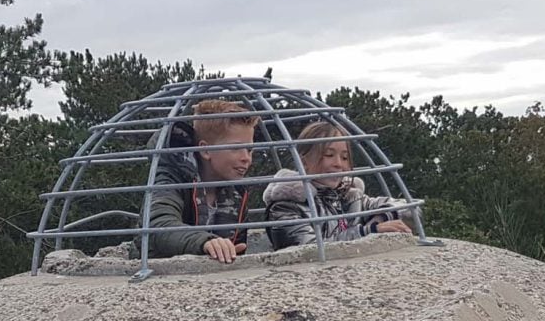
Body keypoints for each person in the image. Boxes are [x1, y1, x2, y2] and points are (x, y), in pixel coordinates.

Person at [263, 122, 414, 250]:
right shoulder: (284, 207)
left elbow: (411, 209)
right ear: (303, 163)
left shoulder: (350, 197)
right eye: (329, 155)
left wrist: (380, 219)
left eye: (345, 157)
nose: (338, 164)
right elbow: (309, 249)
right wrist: (369, 231)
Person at [146, 100, 258, 262]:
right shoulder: (171, 179)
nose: (246, 158)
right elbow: (159, 225)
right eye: (236, 148)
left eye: (249, 149)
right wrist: (205, 243)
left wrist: (230, 253)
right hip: (163, 277)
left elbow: (237, 250)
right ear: (205, 150)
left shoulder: (237, 193)